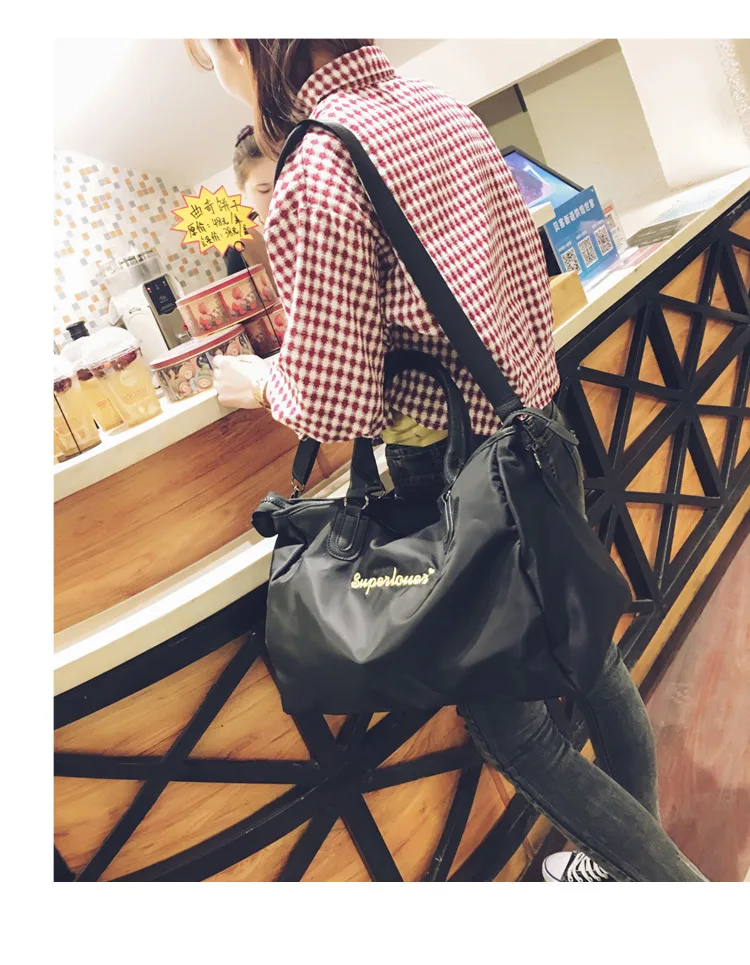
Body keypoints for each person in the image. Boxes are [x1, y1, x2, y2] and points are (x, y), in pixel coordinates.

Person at [186, 38, 707, 882]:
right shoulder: (442, 109)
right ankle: (627, 871)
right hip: (538, 435)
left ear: (244, 41)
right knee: (594, 660)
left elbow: (334, 400)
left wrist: (261, 383)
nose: (214, 75)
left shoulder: (318, 162)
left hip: (453, 476)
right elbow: (526, 278)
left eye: (208, 54)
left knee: (516, 729)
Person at [223, 125, 277, 280]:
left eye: (284, 183)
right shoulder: (241, 251)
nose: (278, 196)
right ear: (243, 190)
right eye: (264, 190)